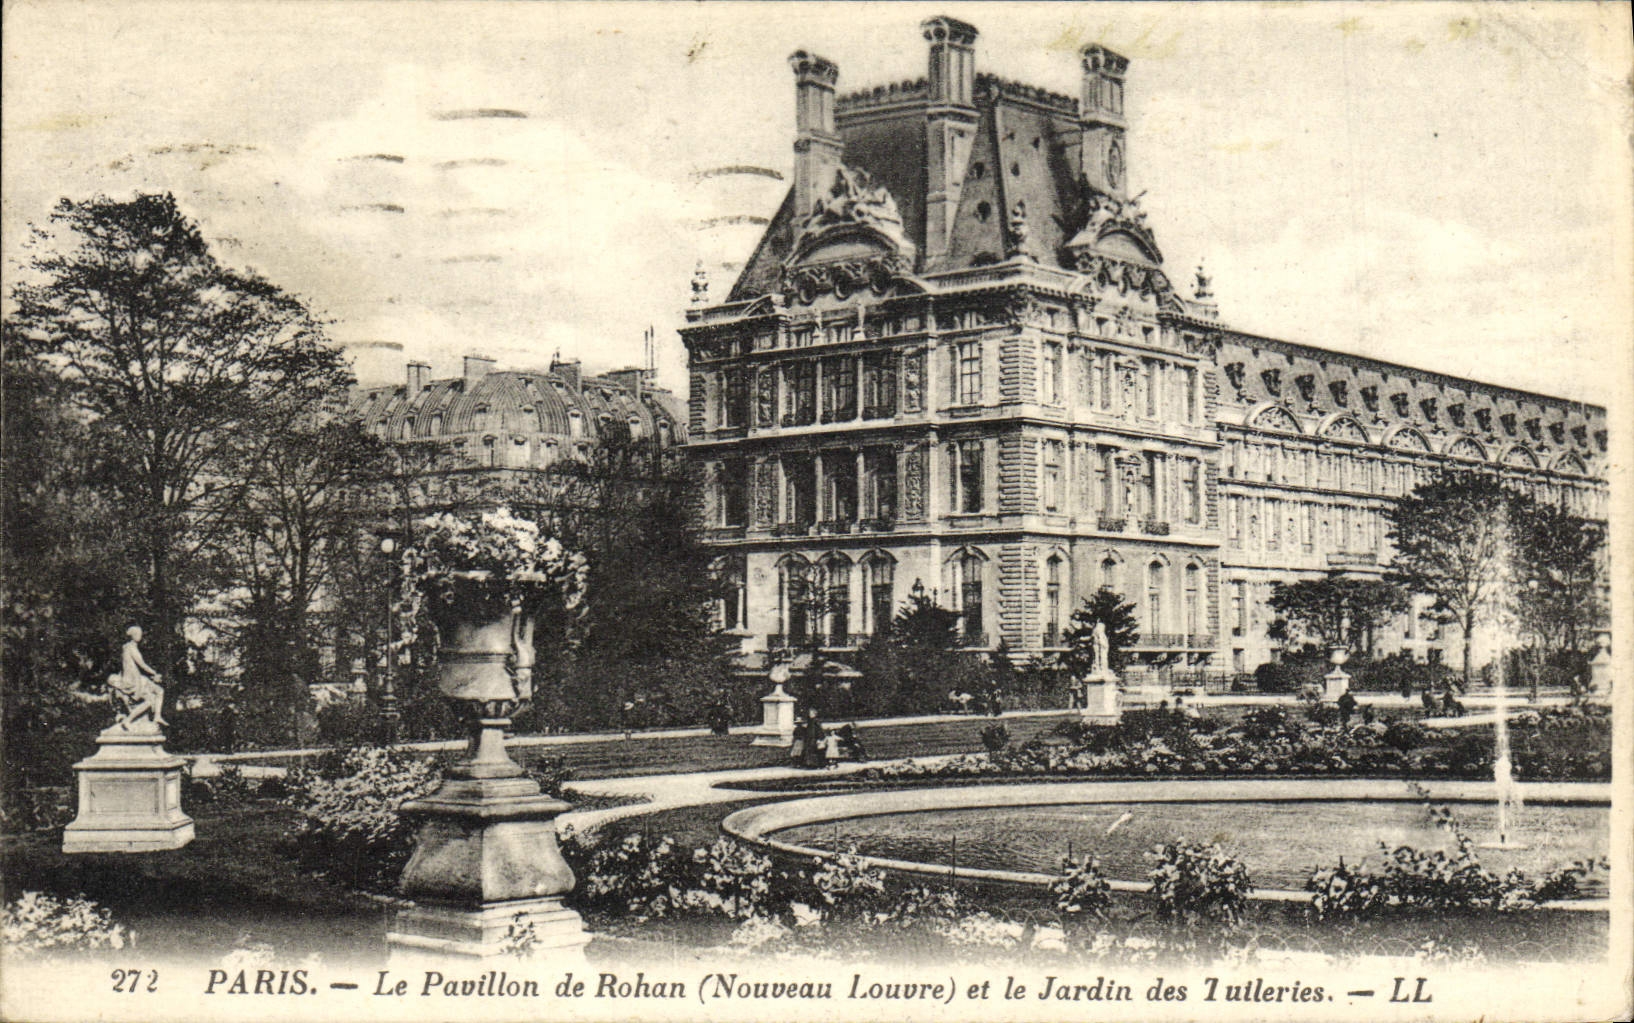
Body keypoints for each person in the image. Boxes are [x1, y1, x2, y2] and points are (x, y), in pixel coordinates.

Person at [108, 626, 166, 731]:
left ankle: (157, 716)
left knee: (159, 691)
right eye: (138, 634)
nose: (140, 636)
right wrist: (154, 673)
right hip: (132, 681)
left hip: (138, 678)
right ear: (132, 635)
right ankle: (128, 721)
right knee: (151, 700)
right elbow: (142, 664)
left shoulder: (129, 647)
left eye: (140, 633)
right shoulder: (130, 647)